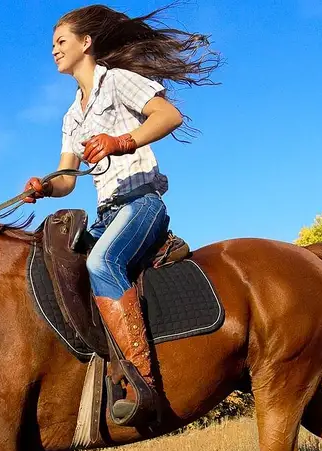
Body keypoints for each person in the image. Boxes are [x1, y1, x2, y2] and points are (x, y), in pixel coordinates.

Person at [24, 4, 219, 425]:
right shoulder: (71, 115)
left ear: (86, 43)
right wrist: (43, 187)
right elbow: (67, 178)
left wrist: (122, 141)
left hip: (141, 204)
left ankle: (141, 382)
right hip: (106, 214)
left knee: (101, 261)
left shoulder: (118, 82)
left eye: (61, 42)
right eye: (52, 44)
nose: (54, 50)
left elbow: (169, 116)